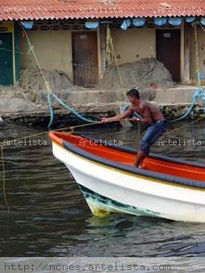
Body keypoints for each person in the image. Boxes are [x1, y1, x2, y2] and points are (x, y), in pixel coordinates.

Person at [101, 89, 167, 167]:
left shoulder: (142, 105)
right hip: (153, 123)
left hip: (160, 124)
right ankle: (140, 165)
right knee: (145, 144)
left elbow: (148, 121)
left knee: (144, 143)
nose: (128, 100)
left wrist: (137, 119)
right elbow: (121, 116)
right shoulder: (133, 107)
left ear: (133, 97)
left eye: (129, 98)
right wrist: (107, 120)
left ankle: (135, 166)